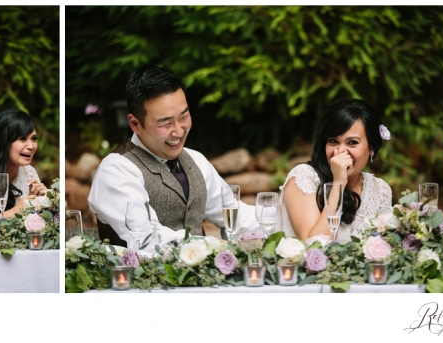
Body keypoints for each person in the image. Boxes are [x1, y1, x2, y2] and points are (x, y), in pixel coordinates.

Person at [88, 65, 259, 248]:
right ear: (135, 124)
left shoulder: (196, 160)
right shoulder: (116, 170)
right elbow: (147, 239)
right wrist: (213, 246)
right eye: (166, 123)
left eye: (184, 117)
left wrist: (283, 215)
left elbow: (235, 216)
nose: (178, 131)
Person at [280, 99, 392, 243]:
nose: (340, 151)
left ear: (371, 147)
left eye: (352, 143)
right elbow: (312, 246)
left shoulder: (380, 190)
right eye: (333, 141)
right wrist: (338, 183)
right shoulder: (303, 178)